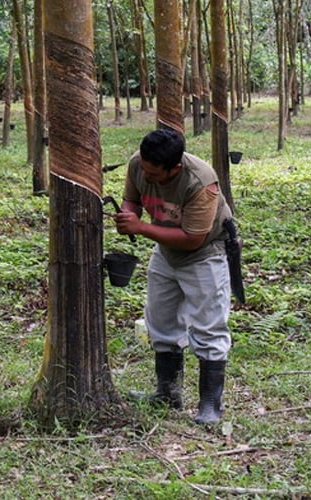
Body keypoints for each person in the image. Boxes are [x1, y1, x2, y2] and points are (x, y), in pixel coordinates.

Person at [113, 128, 233, 424]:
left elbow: (193, 239)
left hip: (205, 254)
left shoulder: (200, 182)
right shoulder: (138, 163)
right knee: (161, 321)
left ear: (175, 168)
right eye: (145, 170)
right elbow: (132, 199)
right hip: (165, 252)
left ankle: (210, 404)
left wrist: (141, 228)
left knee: (208, 326)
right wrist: (128, 215)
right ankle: (168, 393)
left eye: (155, 175)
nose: (147, 177)